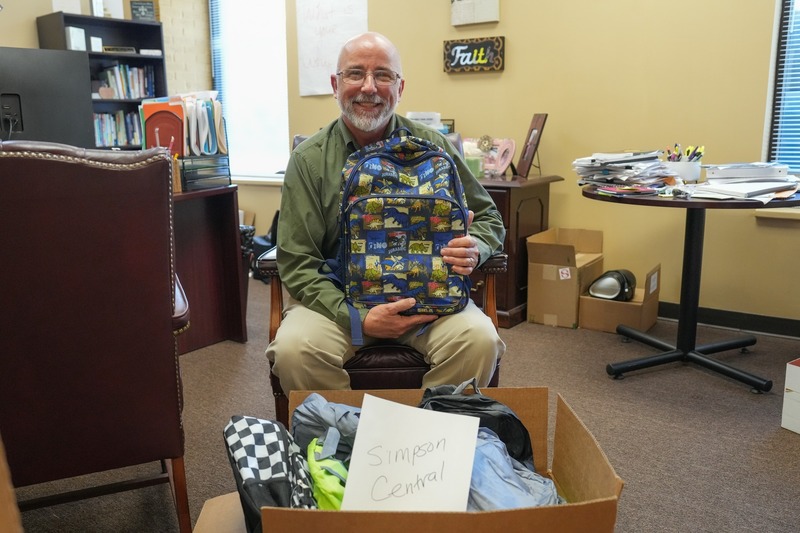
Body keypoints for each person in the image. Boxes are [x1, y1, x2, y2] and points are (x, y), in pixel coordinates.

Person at [266, 31, 506, 392]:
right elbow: (298, 262)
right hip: (339, 303)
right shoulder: (309, 161)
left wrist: (475, 247)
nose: (369, 87)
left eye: (382, 75)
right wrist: (357, 318)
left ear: (400, 86)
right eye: (354, 73)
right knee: (294, 350)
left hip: (430, 302)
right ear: (335, 84)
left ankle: (425, 441)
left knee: (478, 340)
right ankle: (345, 441)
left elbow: (488, 218)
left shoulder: (434, 147)